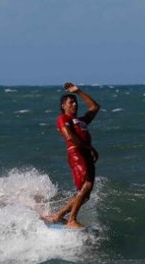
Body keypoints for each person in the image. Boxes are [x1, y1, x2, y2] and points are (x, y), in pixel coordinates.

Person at [42, 82, 100, 228]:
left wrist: (78, 91)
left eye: (75, 102)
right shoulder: (63, 119)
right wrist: (90, 148)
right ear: (63, 106)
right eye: (71, 102)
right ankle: (71, 220)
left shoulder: (81, 120)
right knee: (85, 186)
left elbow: (95, 107)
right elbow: (70, 137)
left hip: (86, 155)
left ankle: (59, 215)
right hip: (77, 153)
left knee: (85, 195)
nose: (74, 104)